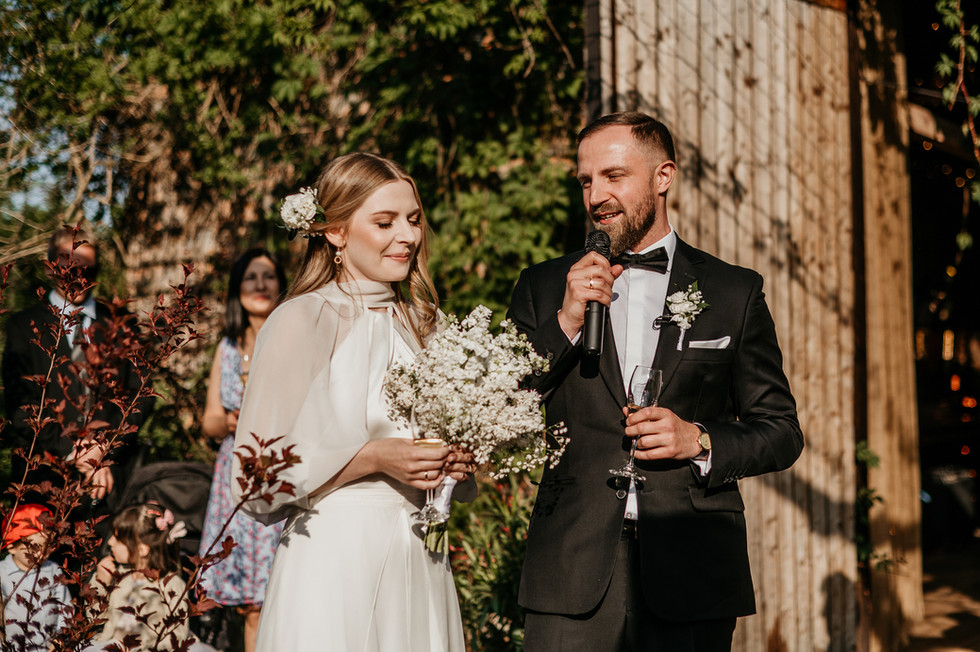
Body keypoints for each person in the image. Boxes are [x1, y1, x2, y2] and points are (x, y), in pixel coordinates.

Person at [507, 112, 804, 652]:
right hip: (569, 569)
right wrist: (567, 321)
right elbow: (506, 408)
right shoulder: (543, 285)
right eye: (586, 181)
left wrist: (700, 440)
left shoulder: (734, 291)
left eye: (613, 176)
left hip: (693, 567)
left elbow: (781, 431)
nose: (596, 195)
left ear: (663, 176)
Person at [232, 152, 475, 651]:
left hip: (420, 553)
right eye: (385, 222)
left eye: (413, 219)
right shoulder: (300, 320)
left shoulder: (427, 325)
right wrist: (373, 457)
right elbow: (255, 478)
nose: (407, 236)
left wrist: (455, 462)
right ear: (337, 232)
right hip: (334, 557)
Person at [2, 225, 152, 522]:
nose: (79, 274)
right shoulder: (23, 326)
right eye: (69, 264)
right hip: (41, 484)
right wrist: (74, 452)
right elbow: (21, 405)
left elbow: (141, 394)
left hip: (109, 485)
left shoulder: (123, 325)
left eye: (88, 267)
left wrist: (102, 449)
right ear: (50, 267)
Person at [197, 248, 287, 652]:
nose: (260, 285)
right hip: (235, 475)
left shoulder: (293, 341)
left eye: (268, 276)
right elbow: (209, 420)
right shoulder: (228, 348)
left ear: (281, 285)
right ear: (238, 289)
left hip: (281, 469)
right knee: (251, 604)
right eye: (251, 277)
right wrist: (232, 421)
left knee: (278, 595)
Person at [87, 502, 215, 651]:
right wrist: (101, 582)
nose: (110, 542)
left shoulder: (172, 585)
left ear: (142, 549)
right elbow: (93, 619)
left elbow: (176, 636)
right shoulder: (116, 575)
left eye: (118, 538)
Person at [0, 503, 72, 651]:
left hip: (48, 647)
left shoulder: (53, 570)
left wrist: (61, 637)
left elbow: (65, 608)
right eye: (35, 547)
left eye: (48, 546)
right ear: (11, 547)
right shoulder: (2, 573)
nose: (42, 554)